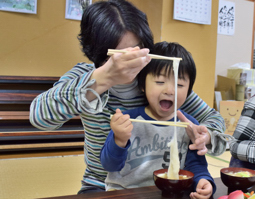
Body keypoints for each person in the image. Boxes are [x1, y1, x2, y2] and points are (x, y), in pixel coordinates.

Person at [29, 0, 226, 194]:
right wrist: (102, 78)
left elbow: (214, 120)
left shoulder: (157, 80)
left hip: (159, 185)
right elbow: (40, 118)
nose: (129, 61)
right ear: (97, 53)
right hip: (101, 185)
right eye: (118, 55)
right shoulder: (85, 76)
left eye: (137, 50)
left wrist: (205, 136)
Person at [101, 42, 216, 198]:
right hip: (127, 192)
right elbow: (109, 165)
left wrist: (203, 181)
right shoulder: (129, 121)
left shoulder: (188, 126)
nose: (169, 90)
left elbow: (197, 165)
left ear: (189, 92)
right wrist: (119, 139)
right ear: (142, 85)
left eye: (180, 84)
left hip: (170, 193)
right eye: (160, 82)